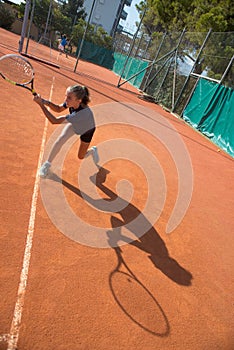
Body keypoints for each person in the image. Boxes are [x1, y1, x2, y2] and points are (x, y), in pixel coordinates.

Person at [33, 85, 99, 178]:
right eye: (66, 96)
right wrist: (44, 101)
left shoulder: (81, 114)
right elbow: (58, 109)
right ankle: (47, 165)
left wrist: (41, 105)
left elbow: (54, 121)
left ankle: (92, 151)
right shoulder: (72, 103)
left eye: (69, 98)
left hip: (87, 130)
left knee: (81, 156)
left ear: (79, 100)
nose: (66, 100)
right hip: (75, 124)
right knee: (60, 139)